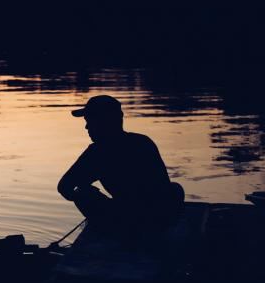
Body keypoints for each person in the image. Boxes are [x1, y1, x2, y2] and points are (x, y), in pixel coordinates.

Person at [57, 95, 185, 233]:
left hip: (127, 223)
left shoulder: (97, 152)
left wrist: (84, 187)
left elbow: (64, 187)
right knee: (175, 188)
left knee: (83, 192)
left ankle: (120, 231)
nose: (86, 127)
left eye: (90, 121)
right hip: (161, 217)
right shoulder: (143, 142)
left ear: (104, 122)